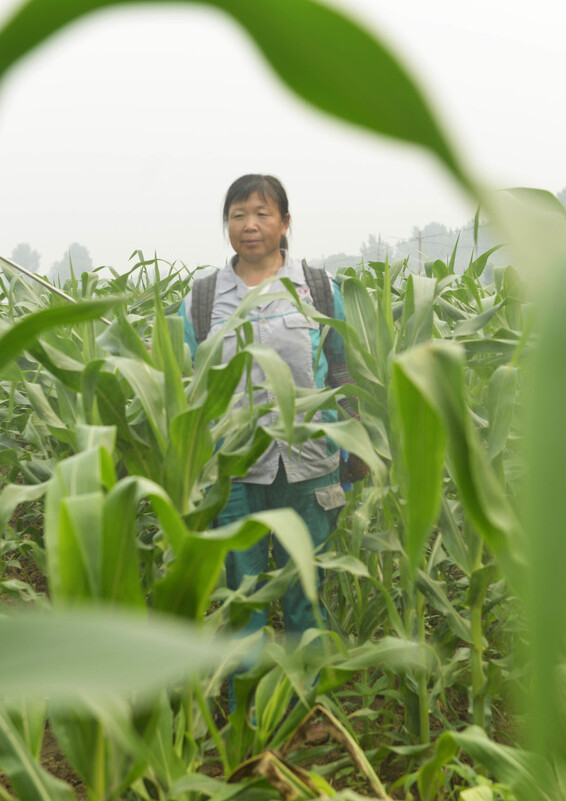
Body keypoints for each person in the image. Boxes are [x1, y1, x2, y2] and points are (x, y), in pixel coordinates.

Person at [178, 174, 364, 688]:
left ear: (285, 222)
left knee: (307, 591)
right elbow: (179, 381)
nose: (250, 225)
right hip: (233, 471)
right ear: (227, 227)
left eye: (262, 213)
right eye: (238, 215)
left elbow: (340, 371)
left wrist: (356, 444)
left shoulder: (320, 289)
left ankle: (309, 707)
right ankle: (246, 717)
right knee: (244, 602)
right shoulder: (202, 300)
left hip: (310, 464)